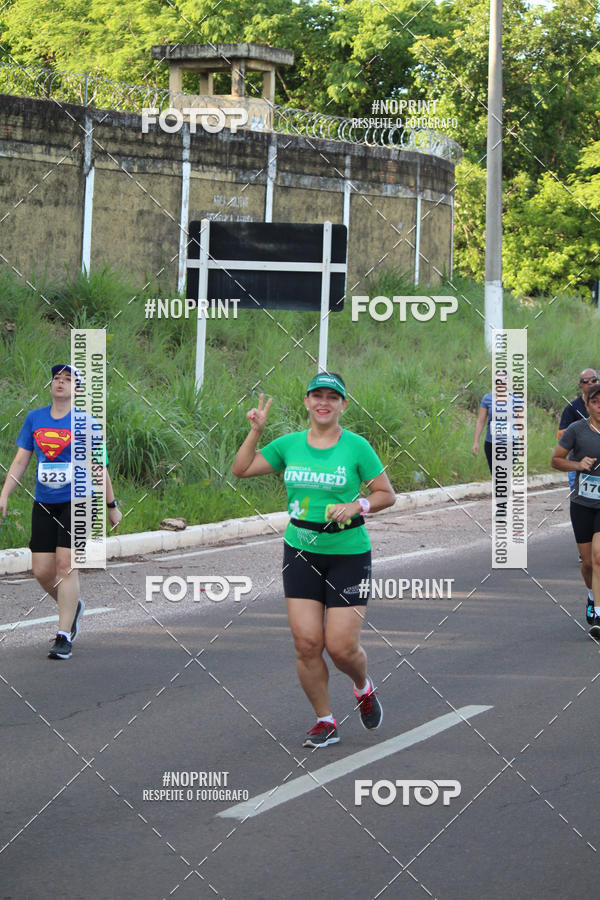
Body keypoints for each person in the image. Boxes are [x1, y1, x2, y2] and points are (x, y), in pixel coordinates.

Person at [232, 372, 396, 748]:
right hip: (301, 551)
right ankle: (325, 721)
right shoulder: (289, 445)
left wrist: (359, 504)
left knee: (340, 648)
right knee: (307, 643)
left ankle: (362, 686)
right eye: (317, 396)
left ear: (343, 405)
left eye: (332, 397)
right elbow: (241, 470)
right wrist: (256, 431)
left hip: (348, 553)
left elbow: (387, 494)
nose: (324, 402)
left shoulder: (356, 447)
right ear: (307, 402)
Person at [0, 364, 122, 659]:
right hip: (44, 500)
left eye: (68, 380)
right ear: (50, 385)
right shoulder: (34, 419)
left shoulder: (87, 423)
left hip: (79, 500)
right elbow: (20, 461)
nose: (61, 383)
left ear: (77, 390)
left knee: (66, 565)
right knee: (42, 570)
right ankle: (73, 605)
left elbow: (98, 467)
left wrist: (111, 505)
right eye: (57, 378)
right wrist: (4, 494)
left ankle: (63, 635)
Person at [552, 380, 600, 638]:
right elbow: (556, 460)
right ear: (587, 404)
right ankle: (592, 596)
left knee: (599, 557)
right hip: (582, 504)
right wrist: (578, 465)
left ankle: (599, 614)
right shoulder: (576, 430)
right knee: (587, 563)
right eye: (595, 402)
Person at [557, 368, 598, 493]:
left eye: (593, 380)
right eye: (585, 381)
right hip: (578, 461)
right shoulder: (572, 408)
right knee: (578, 499)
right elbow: (561, 434)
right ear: (580, 385)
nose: (590, 383)